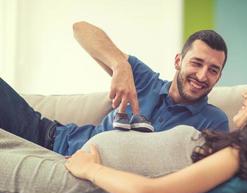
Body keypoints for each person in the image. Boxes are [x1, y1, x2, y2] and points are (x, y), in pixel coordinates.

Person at [0, 63, 247, 193]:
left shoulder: (240, 154)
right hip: (77, 159)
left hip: (78, 175)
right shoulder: (240, 146)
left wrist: (91, 170)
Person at [0, 21, 229, 156]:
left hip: (74, 166)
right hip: (49, 136)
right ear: (178, 61)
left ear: (219, 77)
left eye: (213, 70)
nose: (202, 76)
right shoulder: (145, 80)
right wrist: (119, 64)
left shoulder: (214, 122)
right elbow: (80, 29)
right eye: (197, 63)